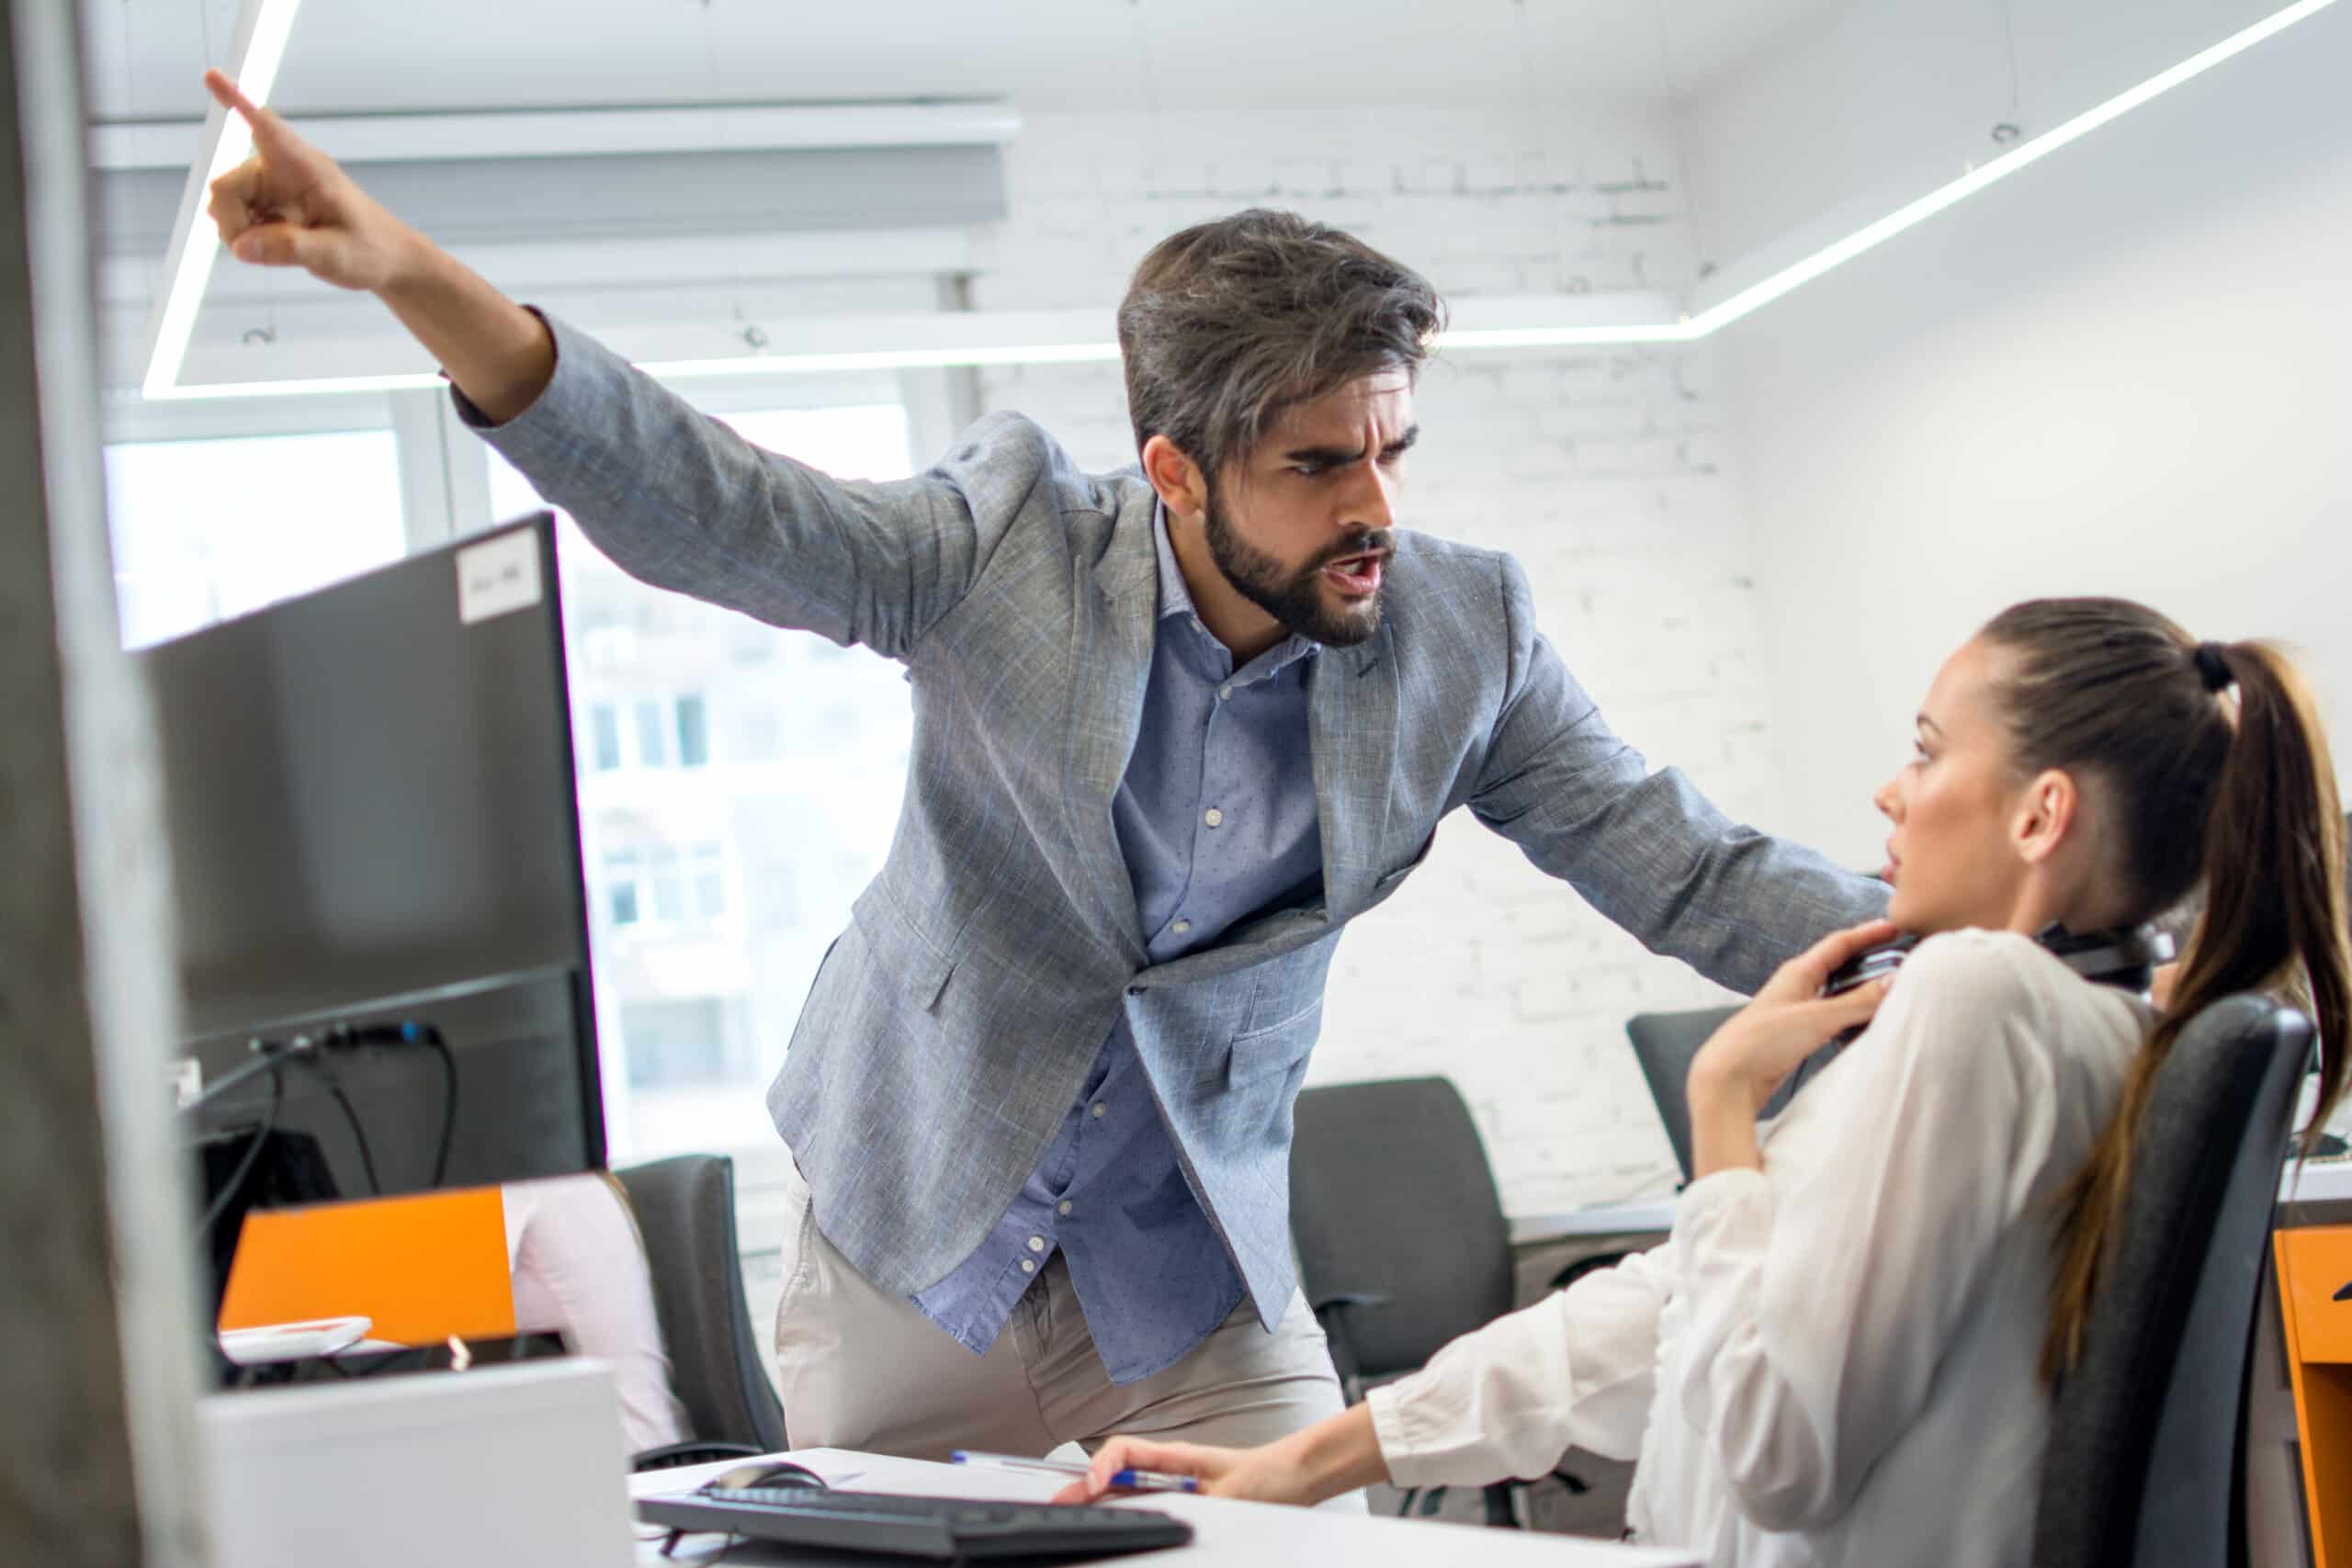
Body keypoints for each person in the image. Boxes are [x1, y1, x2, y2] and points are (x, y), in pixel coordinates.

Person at [196, 71, 1886, 1483]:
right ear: (1173, 469)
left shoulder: (1465, 632)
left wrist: (1973, 949)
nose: (1372, 501)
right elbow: (719, 507)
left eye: (1391, 446)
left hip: (1192, 1297)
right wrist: (417, 276)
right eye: (1315, 464)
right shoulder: (1003, 548)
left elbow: (1679, 859)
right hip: (909, 1256)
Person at [1059, 598, 2350, 1565]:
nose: (1889, 794)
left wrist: (1724, 1106)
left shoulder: (1979, 1003)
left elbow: (1776, 1447)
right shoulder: (2112, 1021)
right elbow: (1676, 1308)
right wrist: (1308, 1458)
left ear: (2039, 814)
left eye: (1926, 750)